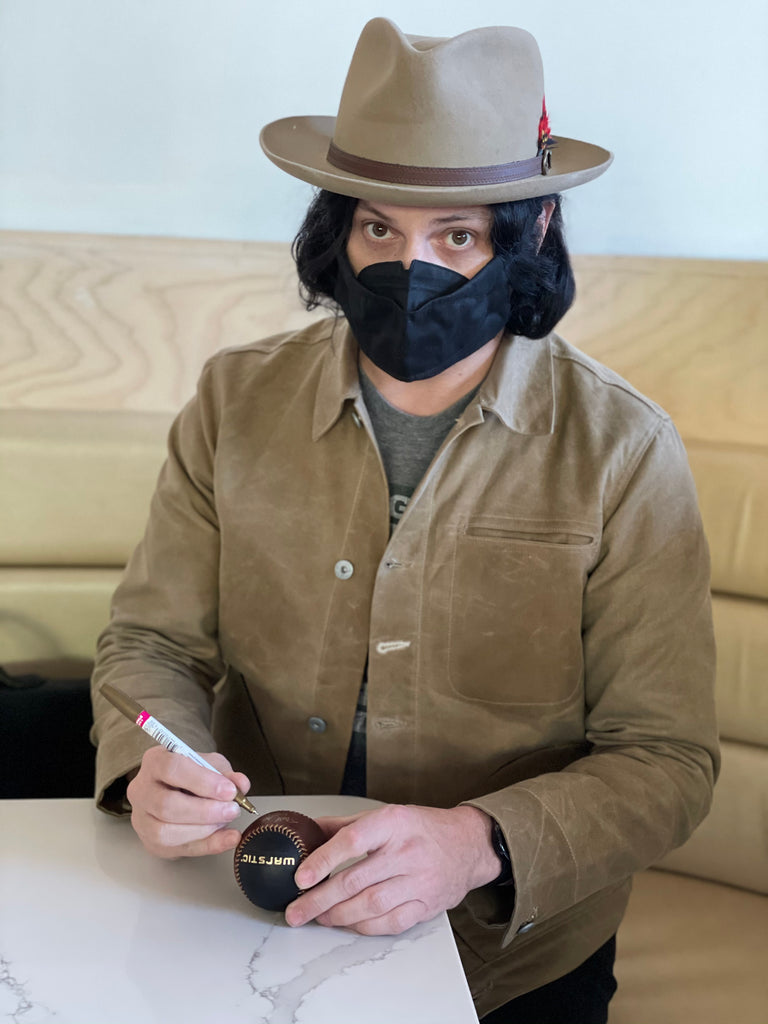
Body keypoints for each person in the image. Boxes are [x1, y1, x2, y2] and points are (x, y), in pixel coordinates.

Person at [90, 18, 719, 1023]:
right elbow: (149, 642)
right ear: (335, 228)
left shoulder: (623, 449)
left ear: (530, 235)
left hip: (511, 951)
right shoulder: (231, 401)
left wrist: (479, 841)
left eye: (457, 236)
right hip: (249, 910)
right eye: (378, 229)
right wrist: (149, 761)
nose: (409, 268)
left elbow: (668, 757)